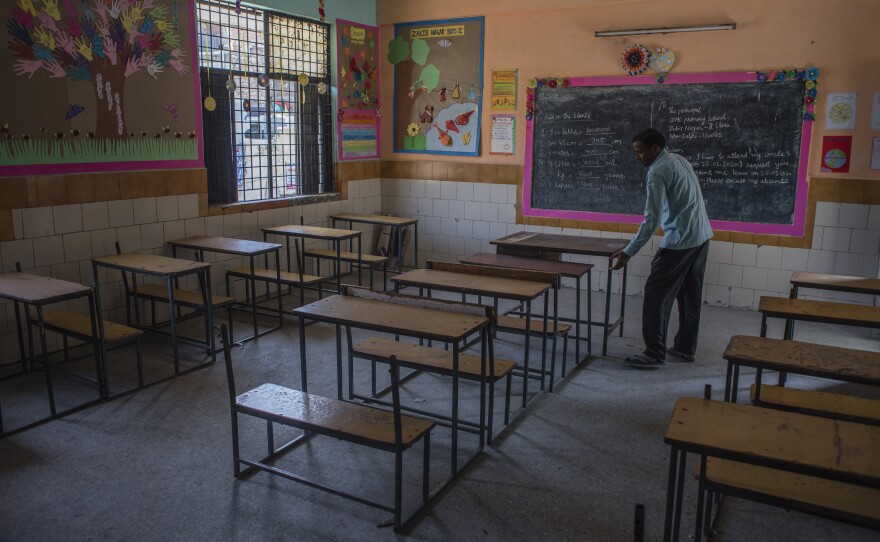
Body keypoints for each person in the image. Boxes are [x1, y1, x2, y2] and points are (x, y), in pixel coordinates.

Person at [609, 128, 713, 368]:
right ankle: (685, 349)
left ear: (654, 149)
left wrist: (629, 251)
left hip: (680, 242)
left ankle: (654, 352)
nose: (637, 157)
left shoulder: (657, 171)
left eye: (640, 152)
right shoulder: (679, 159)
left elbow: (651, 219)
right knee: (690, 296)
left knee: (656, 295)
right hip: (701, 235)